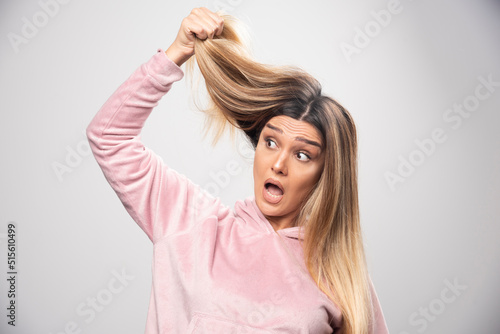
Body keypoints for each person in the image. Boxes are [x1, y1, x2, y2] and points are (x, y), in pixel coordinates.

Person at [86, 7, 389, 334]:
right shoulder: (193, 223)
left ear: (326, 174)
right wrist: (175, 54)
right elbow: (108, 137)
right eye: (271, 143)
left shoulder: (342, 275)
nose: (278, 164)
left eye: (302, 154)